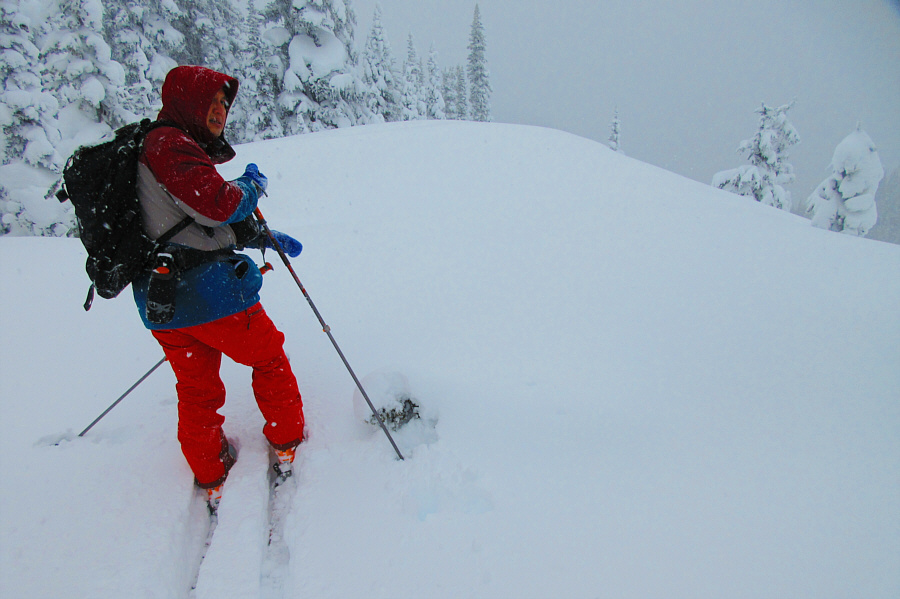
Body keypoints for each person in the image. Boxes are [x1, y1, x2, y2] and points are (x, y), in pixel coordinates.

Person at [132, 65, 305, 510]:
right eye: (210, 102)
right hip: (211, 296)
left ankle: (211, 472)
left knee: (196, 388)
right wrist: (251, 185)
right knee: (268, 357)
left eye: (224, 105)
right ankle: (286, 442)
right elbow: (217, 205)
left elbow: (185, 221)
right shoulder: (168, 143)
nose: (219, 112)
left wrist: (258, 236)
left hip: (163, 300)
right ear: (187, 101)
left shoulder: (154, 148)